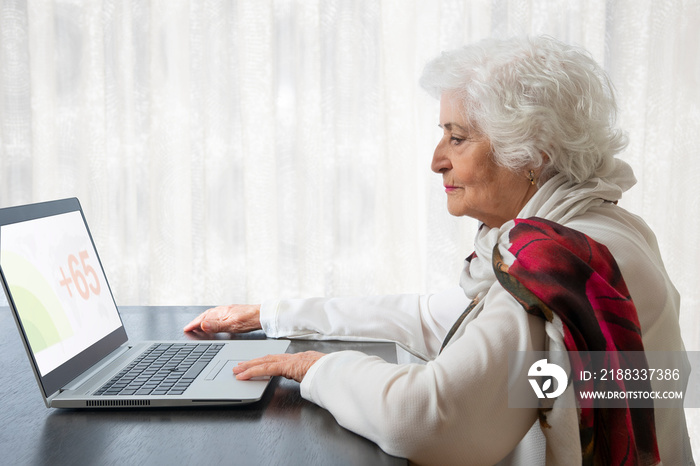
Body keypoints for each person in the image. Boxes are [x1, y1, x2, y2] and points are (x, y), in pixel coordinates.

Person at [185, 36, 692, 465]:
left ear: (532, 151)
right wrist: (271, 314)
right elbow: (437, 318)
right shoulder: (605, 229)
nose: (436, 161)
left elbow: (426, 418)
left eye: (458, 138)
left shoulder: (554, 263)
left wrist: (309, 368)